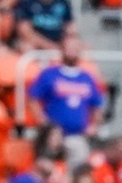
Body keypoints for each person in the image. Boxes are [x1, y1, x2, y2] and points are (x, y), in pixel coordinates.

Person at [30, 26, 103, 162]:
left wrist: (95, 126)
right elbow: (33, 98)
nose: (71, 51)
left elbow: (97, 105)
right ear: (62, 49)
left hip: (77, 136)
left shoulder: (87, 77)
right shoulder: (49, 74)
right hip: (53, 136)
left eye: (75, 48)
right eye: (68, 47)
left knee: (78, 172)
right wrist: (43, 122)